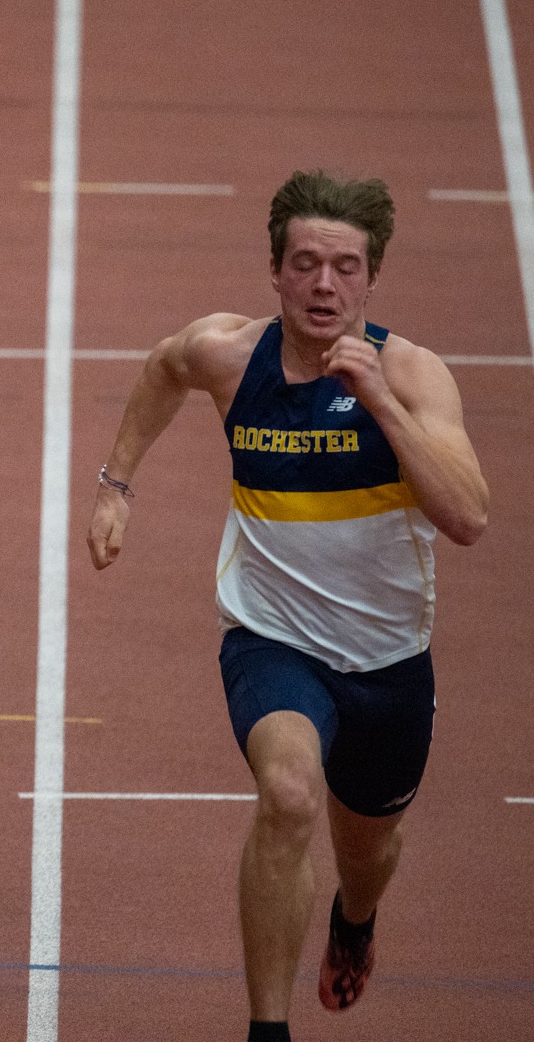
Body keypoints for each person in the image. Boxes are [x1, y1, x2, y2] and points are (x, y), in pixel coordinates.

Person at [88, 170, 487, 1041]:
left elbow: (467, 517)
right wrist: (117, 484)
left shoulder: (415, 374)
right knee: (290, 793)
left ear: (371, 278)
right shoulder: (231, 355)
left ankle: (355, 918)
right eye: (305, 263)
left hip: (387, 662)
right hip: (272, 642)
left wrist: (378, 398)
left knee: (368, 849)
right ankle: (267, 1028)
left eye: (345, 267)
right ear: (275, 272)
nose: (324, 285)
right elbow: (164, 368)